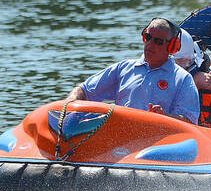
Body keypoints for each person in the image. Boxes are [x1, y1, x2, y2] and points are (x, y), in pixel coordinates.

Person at [65, 18, 200, 124]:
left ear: (172, 46)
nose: (150, 44)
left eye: (158, 41)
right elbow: (84, 90)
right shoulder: (123, 68)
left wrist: (164, 117)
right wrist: (68, 105)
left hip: (159, 145)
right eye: (148, 37)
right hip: (120, 141)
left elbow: (190, 121)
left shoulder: (183, 79)